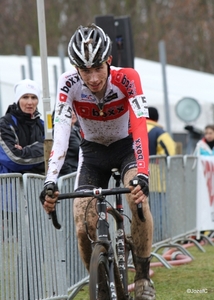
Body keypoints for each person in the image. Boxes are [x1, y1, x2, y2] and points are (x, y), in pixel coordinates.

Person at [40, 24, 155, 300]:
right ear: (75, 68)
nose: (92, 78)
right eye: (84, 70)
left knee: (137, 200)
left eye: (98, 69)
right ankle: (102, 291)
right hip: (92, 153)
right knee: (81, 223)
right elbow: (62, 132)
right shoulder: (68, 84)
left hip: (126, 147)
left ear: (109, 62)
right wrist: (50, 180)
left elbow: (140, 124)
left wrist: (142, 174)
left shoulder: (128, 78)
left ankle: (142, 277)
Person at [0, 79, 45, 174]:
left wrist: (24, 151)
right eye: (25, 97)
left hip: (38, 186)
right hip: (11, 186)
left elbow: (56, 155)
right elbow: (15, 160)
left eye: (33, 97)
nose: (30, 102)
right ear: (18, 100)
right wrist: (43, 149)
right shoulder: (5, 124)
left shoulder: (42, 125)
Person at [58, 110, 81, 176]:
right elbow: (58, 156)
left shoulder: (76, 129)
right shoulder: (61, 132)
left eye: (74, 110)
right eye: (69, 110)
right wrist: (69, 173)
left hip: (77, 172)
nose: (73, 114)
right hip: (68, 176)